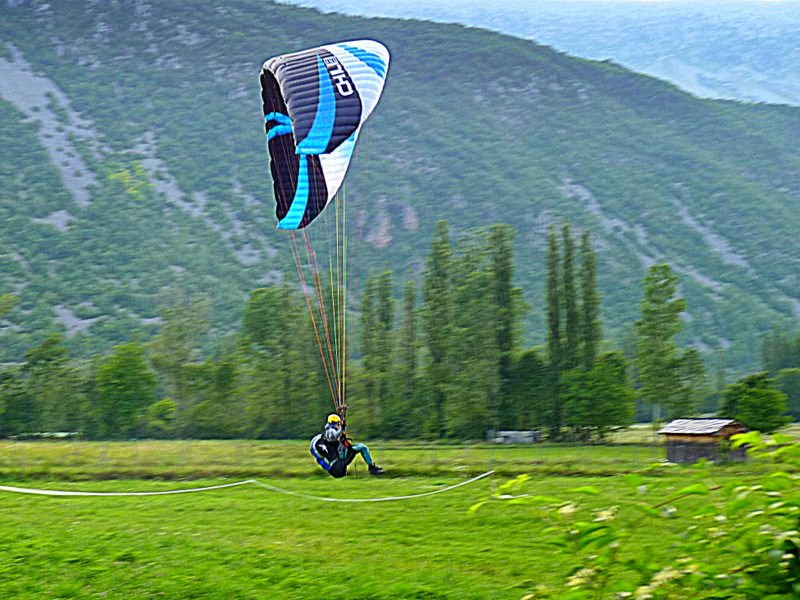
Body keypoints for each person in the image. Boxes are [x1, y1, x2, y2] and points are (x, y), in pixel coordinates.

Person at [310, 414, 384, 478]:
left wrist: (343, 433)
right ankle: (372, 468)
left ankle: (372, 467)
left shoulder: (334, 429)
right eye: (338, 424)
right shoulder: (330, 430)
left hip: (342, 454)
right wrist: (342, 428)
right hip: (338, 460)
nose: (339, 425)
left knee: (362, 447)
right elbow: (332, 437)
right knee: (361, 447)